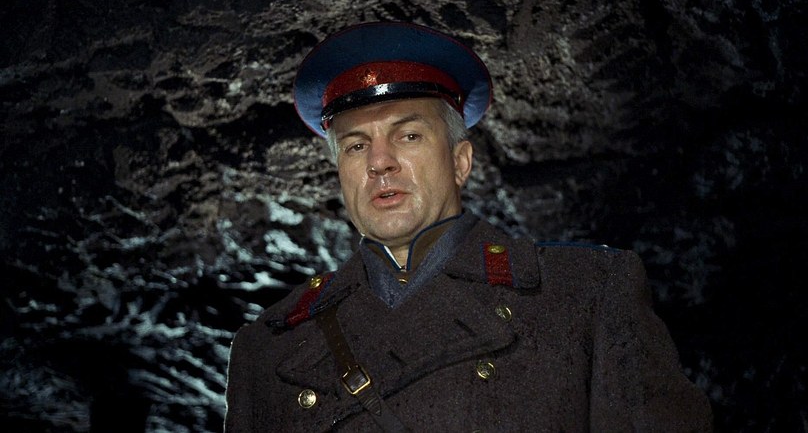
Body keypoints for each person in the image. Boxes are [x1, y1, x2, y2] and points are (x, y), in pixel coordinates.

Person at [224, 22, 712, 432]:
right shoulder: (267, 348)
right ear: (340, 173)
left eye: (408, 135)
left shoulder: (586, 294)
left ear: (460, 162)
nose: (379, 162)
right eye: (355, 146)